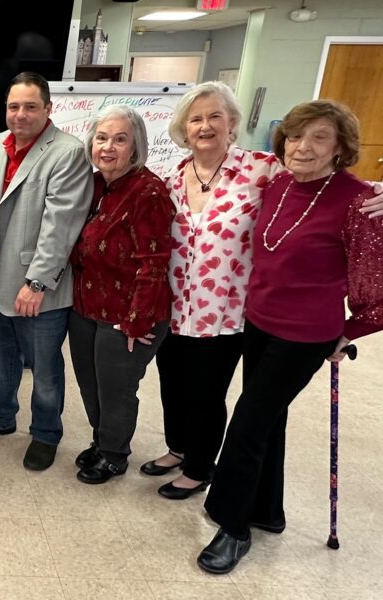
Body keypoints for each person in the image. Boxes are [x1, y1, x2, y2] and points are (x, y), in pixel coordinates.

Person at [142, 82, 383, 500]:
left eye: (215, 116)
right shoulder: (170, 177)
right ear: (183, 127)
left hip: (227, 310)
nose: (205, 126)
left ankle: (199, 467)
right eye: (196, 119)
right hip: (173, 302)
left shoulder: (261, 170)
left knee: (207, 391)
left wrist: (380, 193)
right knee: (173, 383)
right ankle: (177, 448)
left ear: (233, 123)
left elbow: (324, 185)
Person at [197, 99, 383, 574]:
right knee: (268, 420)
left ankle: (233, 526)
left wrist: (350, 332)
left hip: (306, 336)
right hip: (258, 321)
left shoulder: (359, 200)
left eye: (320, 137)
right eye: (296, 136)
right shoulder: (278, 183)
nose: (303, 146)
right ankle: (267, 511)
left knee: (247, 423)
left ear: (340, 148)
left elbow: (377, 286)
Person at [0, 71, 93, 471]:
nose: (21, 114)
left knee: (45, 368)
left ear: (48, 109)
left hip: (38, 286)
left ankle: (46, 434)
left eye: (31, 107)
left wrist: (36, 283)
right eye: (14, 106)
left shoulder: (68, 152)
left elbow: (61, 226)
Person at [68, 106, 174, 484]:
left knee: (116, 389)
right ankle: (102, 440)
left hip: (129, 314)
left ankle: (114, 454)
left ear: (136, 146)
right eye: (101, 138)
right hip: (85, 307)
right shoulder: (96, 184)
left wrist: (138, 320)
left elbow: (155, 262)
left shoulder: (149, 192)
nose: (108, 147)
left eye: (120, 139)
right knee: (89, 383)